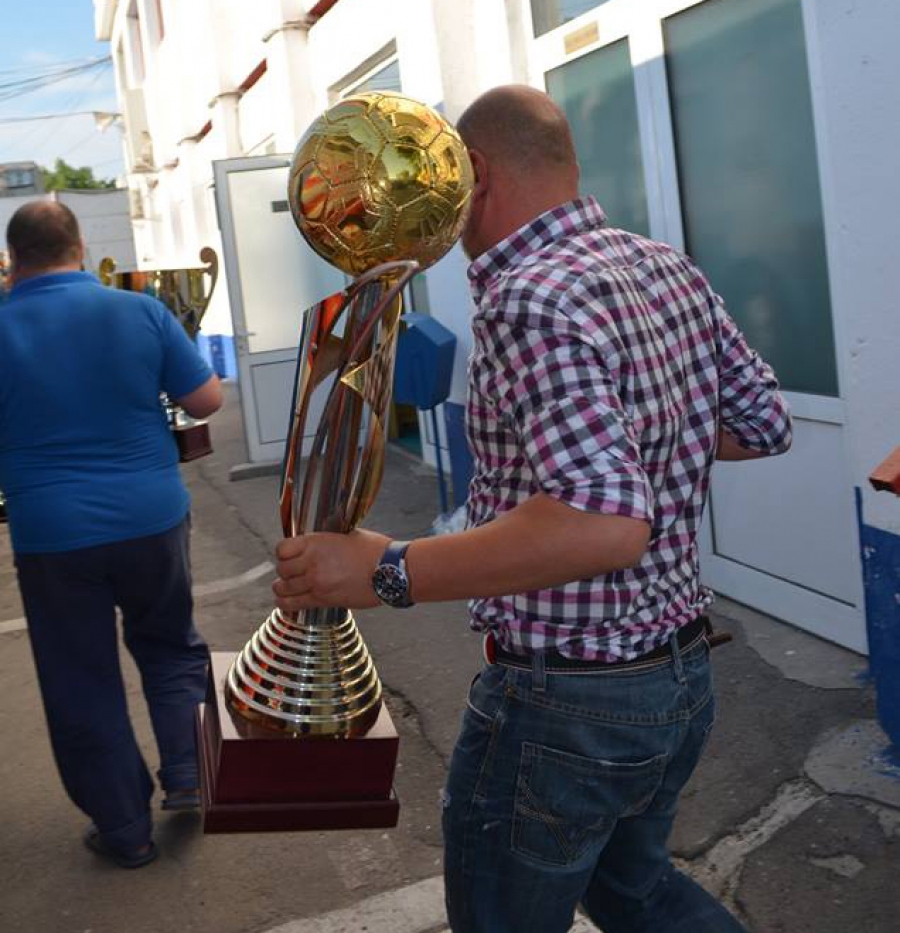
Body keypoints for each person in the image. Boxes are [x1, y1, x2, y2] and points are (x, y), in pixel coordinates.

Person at [271, 86, 792, 932]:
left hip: (569, 707)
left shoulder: (528, 296)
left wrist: (387, 570)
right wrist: (642, 441)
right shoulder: (663, 264)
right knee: (638, 891)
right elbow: (759, 423)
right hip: (680, 678)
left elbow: (601, 523)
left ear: (470, 171)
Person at [0, 201, 222, 869]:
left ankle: (125, 831)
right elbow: (207, 399)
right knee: (171, 644)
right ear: (78, 245)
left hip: (52, 533)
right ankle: (189, 774)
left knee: (80, 676)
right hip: (151, 517)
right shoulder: (141, 310)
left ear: (13, 258)